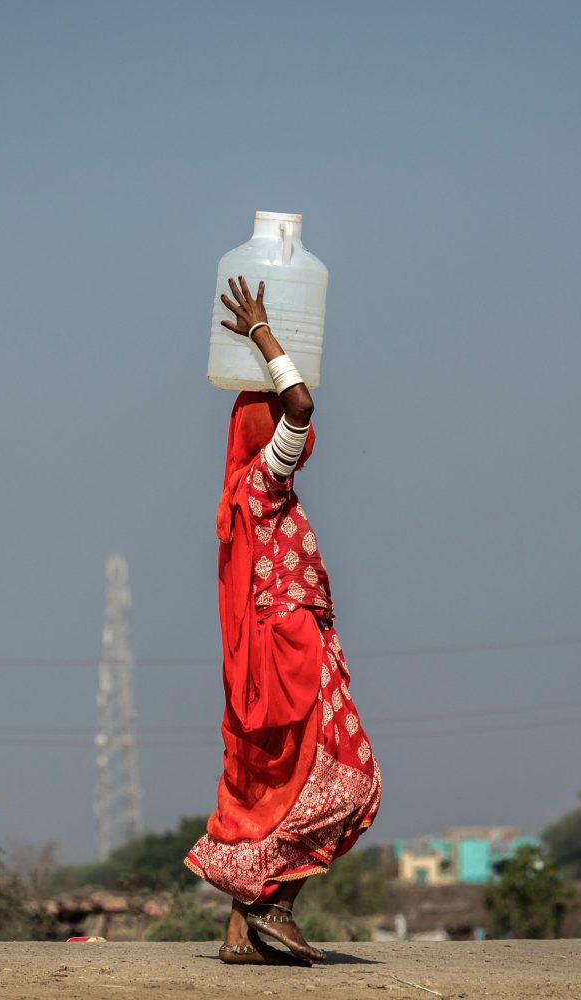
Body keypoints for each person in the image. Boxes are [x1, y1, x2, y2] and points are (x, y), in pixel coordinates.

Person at [185, 276, 382, 966]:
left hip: (272, 658)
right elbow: (299, 403)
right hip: (295, 654)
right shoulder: (265, 486)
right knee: (350, 781)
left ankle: (243, 933)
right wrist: (265, 334)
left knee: (273, 790)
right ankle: (274, 907)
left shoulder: (239, 500)